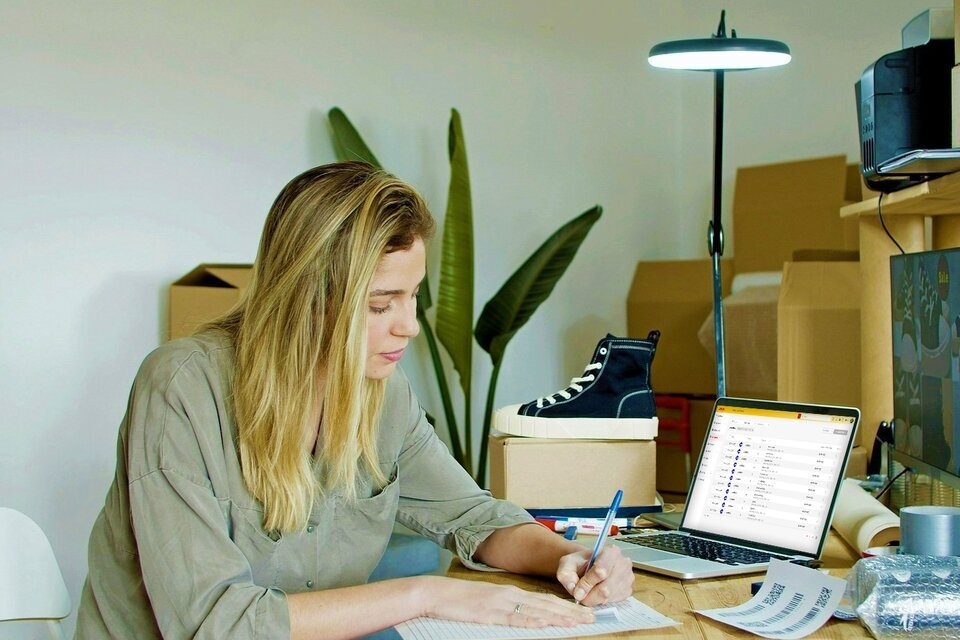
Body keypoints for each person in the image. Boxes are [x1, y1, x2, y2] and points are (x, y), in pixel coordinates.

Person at [75, 162, 634, 639]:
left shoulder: (382, 395)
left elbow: (474, 517)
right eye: (379, 304)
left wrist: (568, 559)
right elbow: (212, 623)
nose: (409, 327)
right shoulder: (181, 388)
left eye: (412, 296)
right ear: (305, 296)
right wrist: (424, 594)